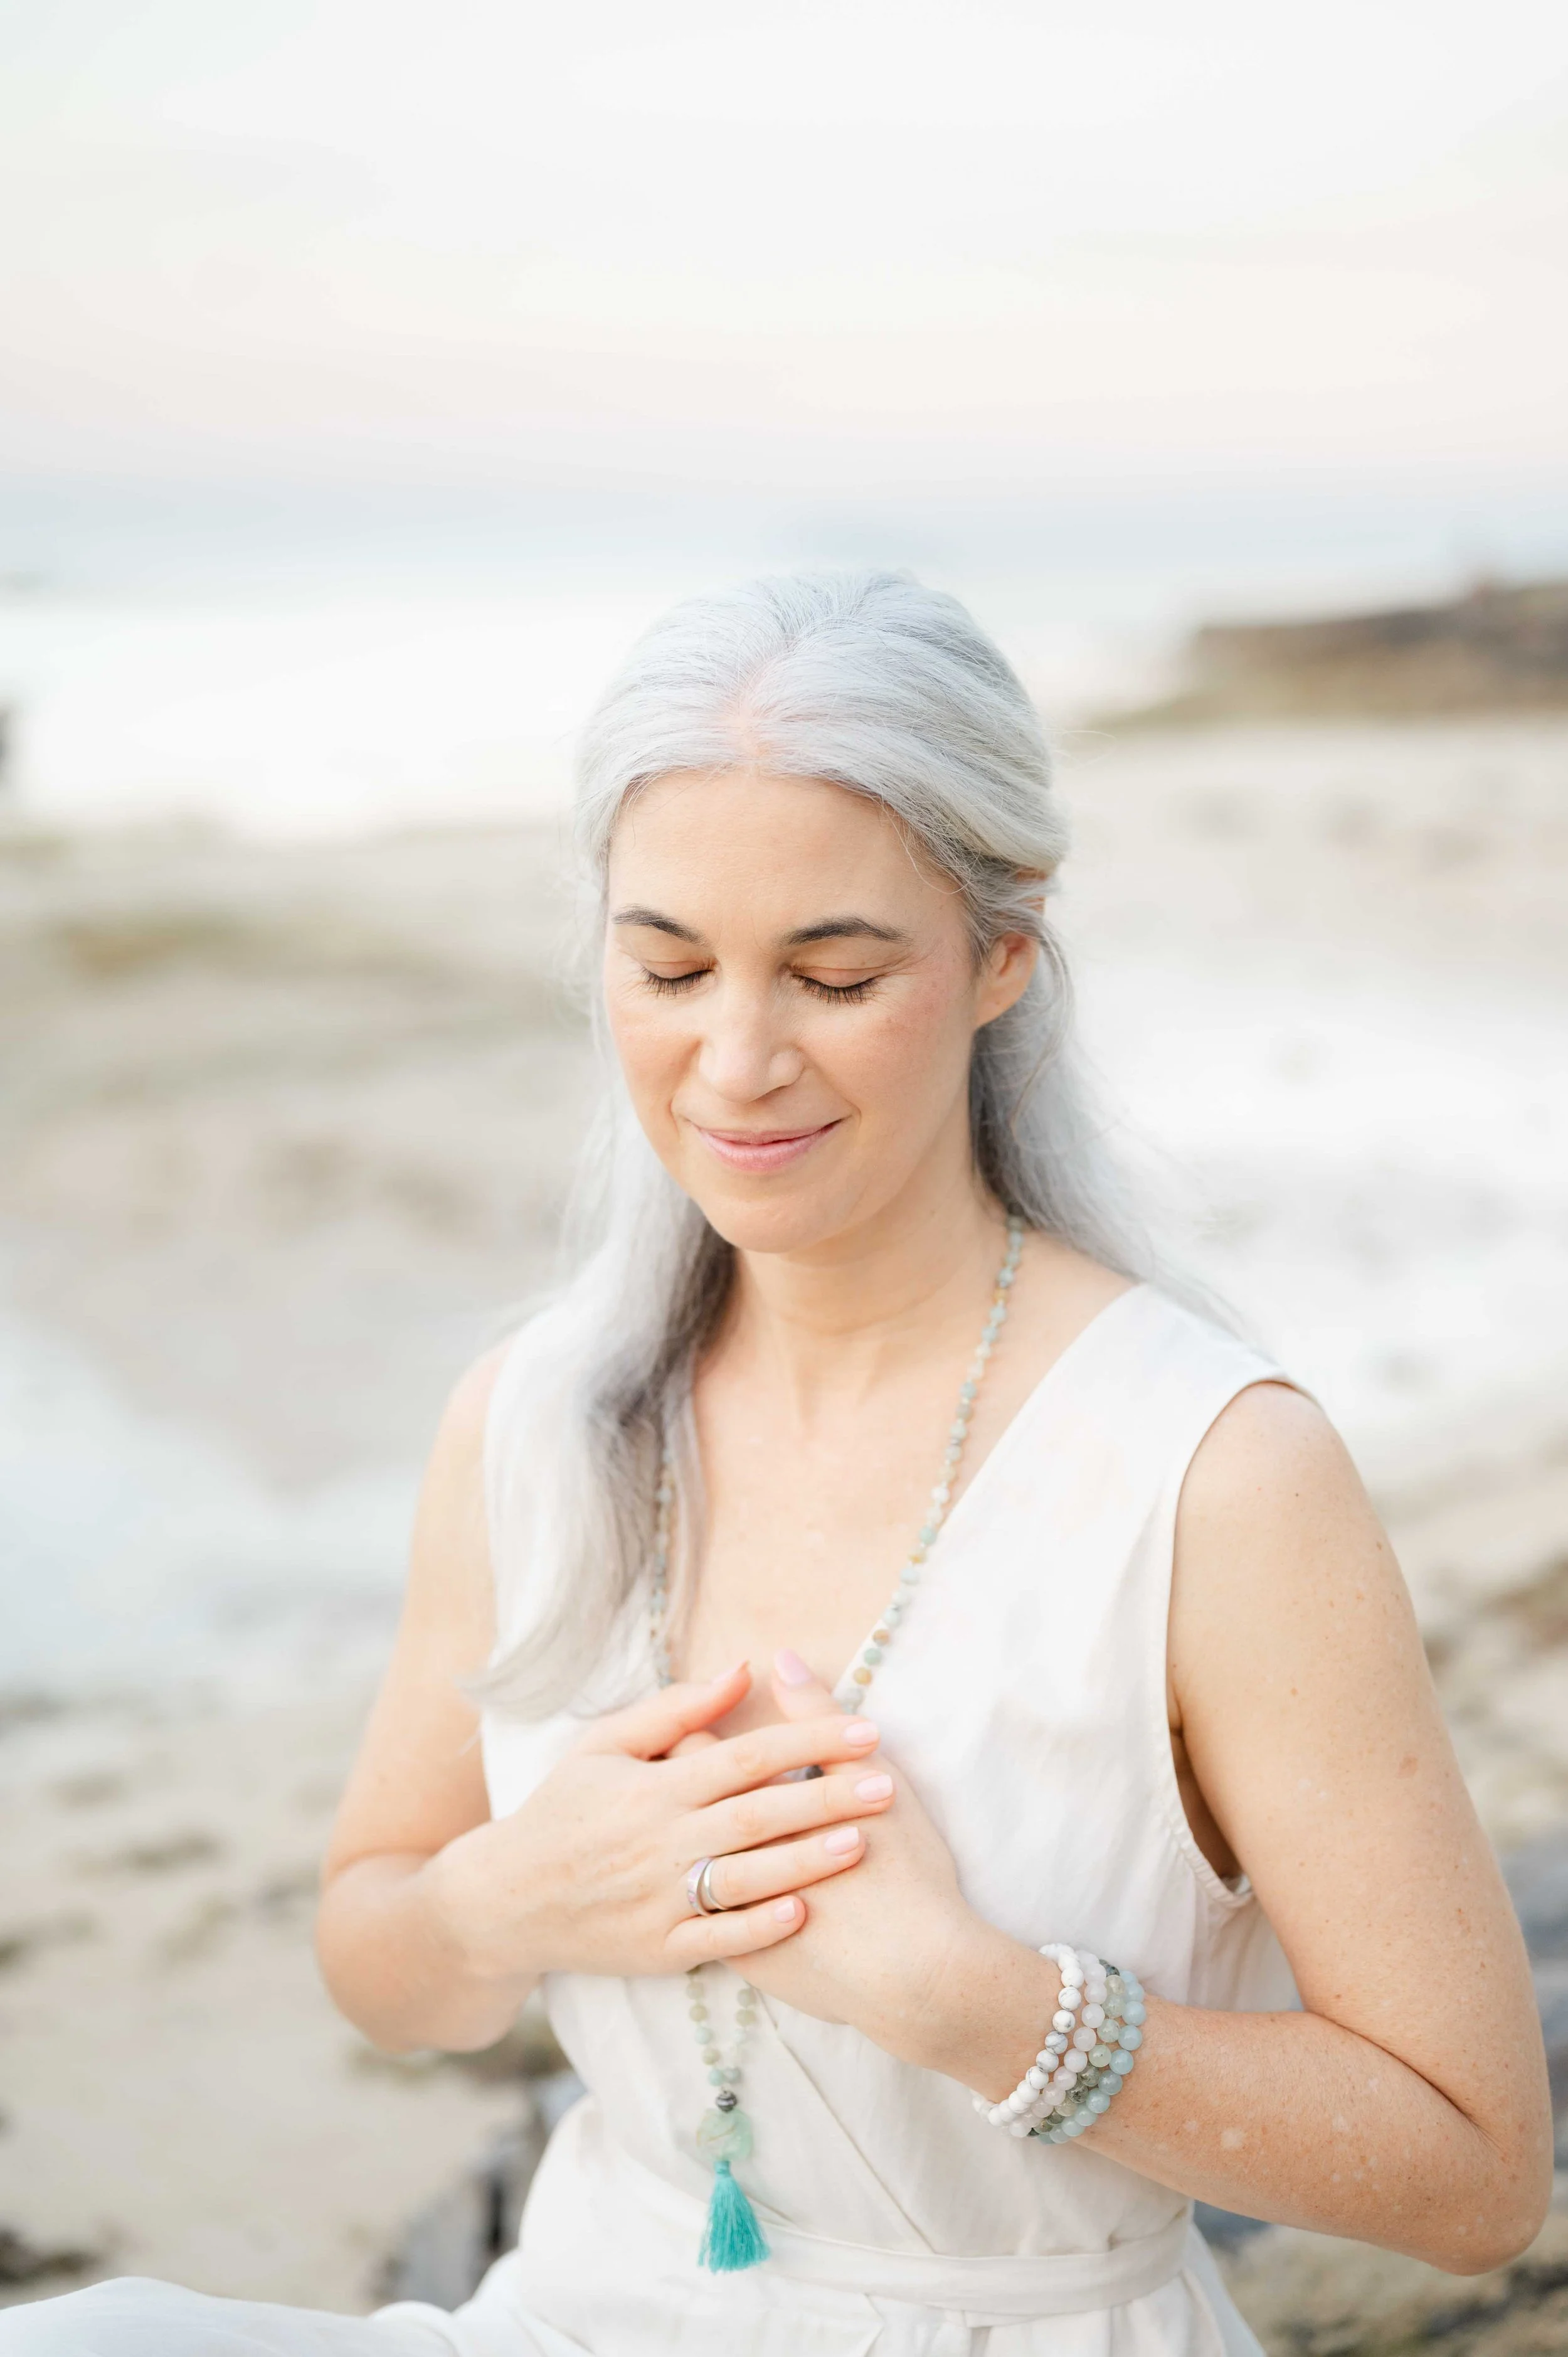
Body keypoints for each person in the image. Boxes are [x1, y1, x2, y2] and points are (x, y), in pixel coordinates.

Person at [8, 571, 1549, 2357]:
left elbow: (1473, 2174)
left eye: (834, 974)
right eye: (667, 967)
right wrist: (512, 1897)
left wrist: (980, 2007)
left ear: (1001, 955)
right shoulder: (534, 1420)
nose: (733, 1062)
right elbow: (382, 1961)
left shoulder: (1215, 1476)